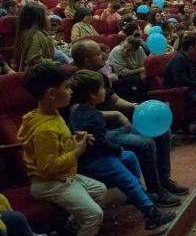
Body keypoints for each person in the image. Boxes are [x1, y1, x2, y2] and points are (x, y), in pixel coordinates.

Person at [71, 40, 188, 206]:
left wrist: (136, 107)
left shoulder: (101, 77)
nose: (104, 55)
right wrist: (116, 114)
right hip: (102, 133)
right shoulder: (76, 82)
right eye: (98, 53)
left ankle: (164, 180)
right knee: (146, 143)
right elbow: (79, 112)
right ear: (87, 61)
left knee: (163, 132)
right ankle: (154, 189)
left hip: (121, 127)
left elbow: (116, 100)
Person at [67, 70, 176, 231]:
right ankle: (152, 215)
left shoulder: (80, 112)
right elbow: (102, 145)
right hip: (96, 159)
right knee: (127, 180)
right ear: (92, 94)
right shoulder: (94, 116)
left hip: (94, 155)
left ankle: (136, 195)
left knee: (130, 157)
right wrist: (117, 149)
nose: (105, 91)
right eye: (102, 88)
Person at [17, 63, 107, 236]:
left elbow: (58, 145)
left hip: (62, 176)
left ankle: (71, 229)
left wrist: (73, 139)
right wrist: (77, 152)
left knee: (100, 189)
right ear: (52, 93)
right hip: (48, 183)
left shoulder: (51, 114)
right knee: (95, 215)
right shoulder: (45, 129)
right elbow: (47, 168)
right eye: (66, 87)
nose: (71, 91)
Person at [13, 4, 55, 71]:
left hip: (44, 70)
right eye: (46, 15)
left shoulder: (40, 34)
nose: (49, 18)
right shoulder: (34, 35)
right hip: (37, 74)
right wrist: (53, 63)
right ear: (39, 19)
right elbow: (34, 60)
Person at [108, 36, 147, 103]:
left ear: (135, 50)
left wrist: (142, 74)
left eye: (129, 50)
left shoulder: (139, 49)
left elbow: (143, 63)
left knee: (145, 78)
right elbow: (122, 72)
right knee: (136, 79)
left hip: (133, 74)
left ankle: (146, 100)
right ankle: (136, 103)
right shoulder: (117, 51)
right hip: (116, 78)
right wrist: (140, 70)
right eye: (124, 47)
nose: (125, 51)